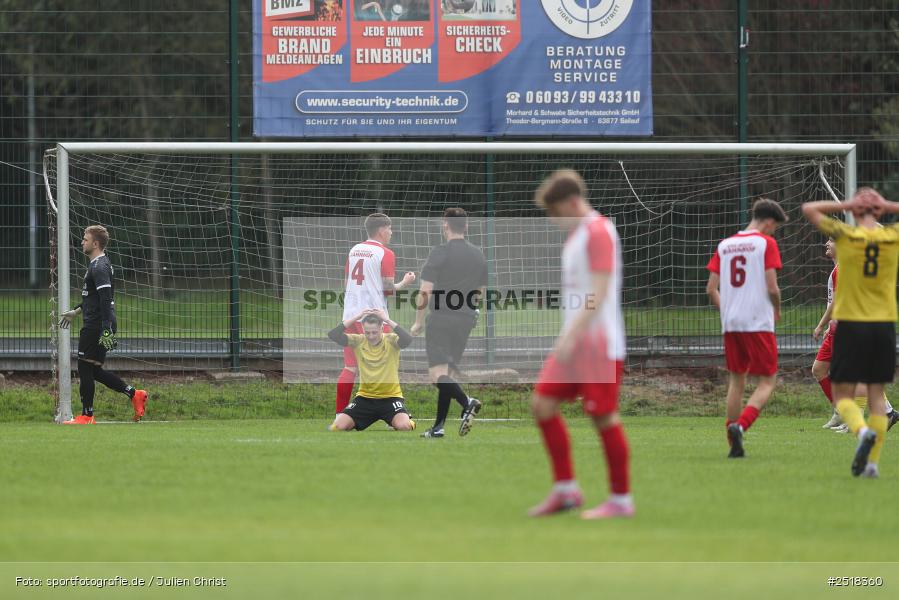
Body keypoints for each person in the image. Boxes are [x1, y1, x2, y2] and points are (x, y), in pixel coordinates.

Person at [527, 170, 632, 520]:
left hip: (598, 345)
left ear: (573, 202)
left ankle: (620, 500)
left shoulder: (598, 231)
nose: (554, 221)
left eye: (556, 212)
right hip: (576, 342)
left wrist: (570, 336)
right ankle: (566, 489)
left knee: (603, 417)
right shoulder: (576, 236)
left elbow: (600, 292)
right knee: (542, 403)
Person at [802, 188, 899, 478]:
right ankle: (872, 464)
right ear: (880, 212)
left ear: (856, 212)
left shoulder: (846, 236)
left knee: (844, 396)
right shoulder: (890, 238)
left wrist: (849, 204)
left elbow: (809, 209)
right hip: (883, 324)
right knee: (876, 394)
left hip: (852, 324)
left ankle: (860, 430)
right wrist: (884, 205)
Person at [706, 198, 787, 458]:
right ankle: (741, 426)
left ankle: (733, 443)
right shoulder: (766, 243)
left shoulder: (725, 245)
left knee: (736, 380)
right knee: (767, 381)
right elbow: (772, 287)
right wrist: (777, 308)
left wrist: (728, 309)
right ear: (769, 221)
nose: (774, 232)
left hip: (731, 323)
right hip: (758, 322)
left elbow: (711, 289)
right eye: (775, 227)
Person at [58, 225, 148, 424]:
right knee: (94, 370)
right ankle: (135, 394)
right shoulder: (99, 264)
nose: (82, 241)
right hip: (99, 321)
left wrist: (105, 327)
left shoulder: (99, 267)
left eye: (85, 239)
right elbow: (94, 297)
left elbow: (106, 298)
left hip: (97, 324)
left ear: (95, 243)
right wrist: (76, 311)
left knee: (84, 367)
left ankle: (87, 415)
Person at [411, 208, 486, 438]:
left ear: (445, 225)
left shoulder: (439, 253)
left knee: (436, 376)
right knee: (448, 376)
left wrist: (418, 322)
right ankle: (438, 427)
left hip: (441, 319)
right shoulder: (478, 254)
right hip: (465, 319)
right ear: (466, 226)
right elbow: (480, 291)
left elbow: (425, 291)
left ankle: (467, 402)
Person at [813, 238, 899, 433]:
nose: (826, 243)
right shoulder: (840, 269)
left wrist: (821, 324)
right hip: (840, 327)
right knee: (821, 369)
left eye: (831, 240)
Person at [335, 213, 415, 415]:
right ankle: (395, 413)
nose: (391, 232)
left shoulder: (354, 250)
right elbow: (389, 289)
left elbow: (346, 284)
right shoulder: (385, 253)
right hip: (373, 319)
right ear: (381, 230)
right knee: (388, 364)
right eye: (389, 228)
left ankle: (339, 414)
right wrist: (405, 282)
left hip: (351, 315)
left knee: (350, 368)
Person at [327, 309, 416, 432]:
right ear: (363, 329)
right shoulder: (358, 340)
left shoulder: (391, 340)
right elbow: (333, 335)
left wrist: (387, 319)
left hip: (390, 398)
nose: (371, 336)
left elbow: (408, 339)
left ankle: (406, 418)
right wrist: (356, 316)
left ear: (381, 328)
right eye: (367, 332)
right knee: (337, 427)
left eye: (374, 332)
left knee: (404, 427)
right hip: (365, 398)